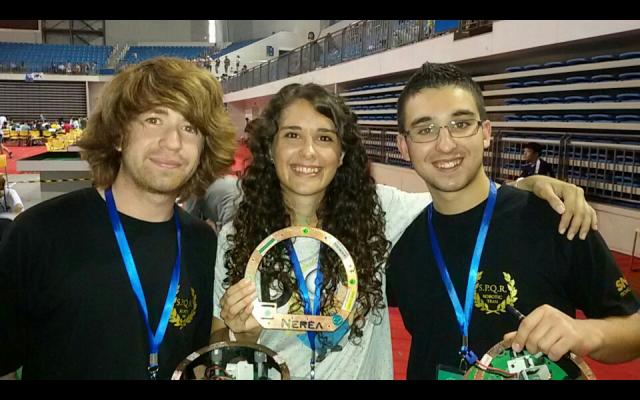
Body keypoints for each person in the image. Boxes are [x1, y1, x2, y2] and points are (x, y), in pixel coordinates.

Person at [211, 83, 597, 379]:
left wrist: (525, 187)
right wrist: (241, 337)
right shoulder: (236, 236)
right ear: (270, 148)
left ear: (342, 154)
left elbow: (463, 197)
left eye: (325, 137)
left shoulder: (378, 211)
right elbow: (216, 346)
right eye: (292, 135)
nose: (308, 152)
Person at [387, 62, 640, 380]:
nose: (446, 144)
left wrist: (587, 333)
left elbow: (633, 325)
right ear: (403, 146)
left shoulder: (553, 218)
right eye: (425, 130)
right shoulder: (399, 240)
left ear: (486, 133)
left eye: (461, 124)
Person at [0, 57, 237, 380]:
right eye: (154, 120)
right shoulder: (40, 233)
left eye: (189, 128)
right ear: (118, 135)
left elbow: (196, 360)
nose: (173, 142)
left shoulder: (202, 243)